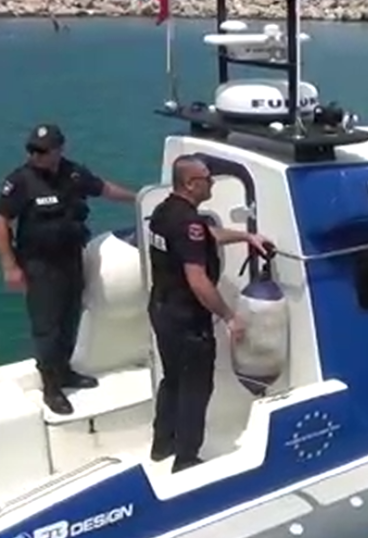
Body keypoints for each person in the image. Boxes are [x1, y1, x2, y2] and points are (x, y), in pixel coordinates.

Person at [0, 124, 138, 416]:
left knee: (70, 317)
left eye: (42, 150)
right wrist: (9, 265)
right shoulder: (20, 181)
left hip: (71, 258)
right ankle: (51, 387)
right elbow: (0, 220)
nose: (35, 155)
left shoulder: (73, 174)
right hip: (40, 264)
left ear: (58, 150)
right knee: (48, 326)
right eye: (32, 150)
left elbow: (104, 189)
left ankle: (65, 371)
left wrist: (140, 198)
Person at [147, 154, 271, 473]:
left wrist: (246, 236)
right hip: (187, 319)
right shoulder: (188, 222)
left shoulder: (164, 211)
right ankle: (186, 458)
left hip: (162, 310)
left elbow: (208, 235)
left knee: (173, 378)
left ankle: (162, 444)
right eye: (207, 178)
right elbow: (198, 280)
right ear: (191, 184)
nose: (212, 182)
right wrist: (229, 317)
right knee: (196, 386)